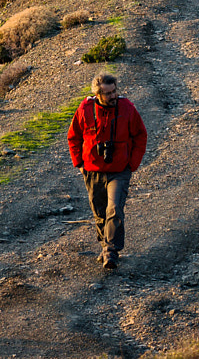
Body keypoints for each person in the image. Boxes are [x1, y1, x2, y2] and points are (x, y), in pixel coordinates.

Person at [66, 71, 148, 270]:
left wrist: (132, 164)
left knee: (114, 209)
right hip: (93, 170)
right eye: (108, 93)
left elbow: (140, 135)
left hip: (120, 170)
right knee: (100, 212)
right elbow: (74, 136)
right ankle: (105, 247)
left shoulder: (127, 107)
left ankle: (111, 252)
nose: (113, 96)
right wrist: (79, 163)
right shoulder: (85, 108)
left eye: (114, 92)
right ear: (97, 94)